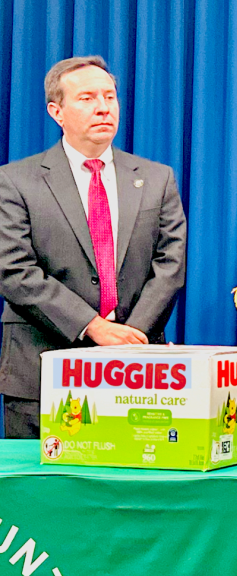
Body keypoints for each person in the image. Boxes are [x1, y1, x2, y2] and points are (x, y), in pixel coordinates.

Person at [0, 56, 187, 439]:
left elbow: (171, 264)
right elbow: (15, 270)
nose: (103, 107)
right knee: (44, 495)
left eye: (110, 96)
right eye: (86, 98)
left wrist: (130, 335)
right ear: (57, 111)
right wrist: (93, 327)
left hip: (136, 372)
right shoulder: (14, 181)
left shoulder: (156, 178)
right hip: (42, 369)